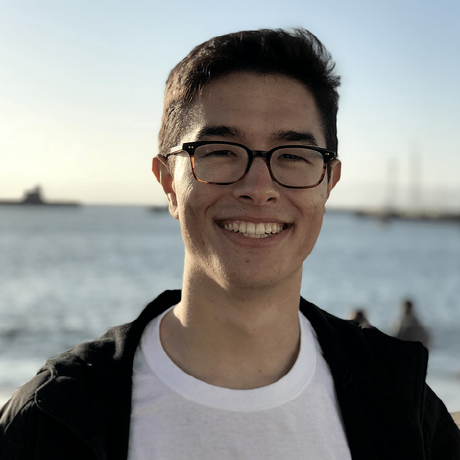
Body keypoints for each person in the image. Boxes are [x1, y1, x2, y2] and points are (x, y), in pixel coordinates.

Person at [1, 28, 459, 459]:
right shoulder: (52, 419)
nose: (259, 188)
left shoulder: (403, 404)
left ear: (328, 183)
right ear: (168, 183)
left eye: (294, 155)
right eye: (220, 151)